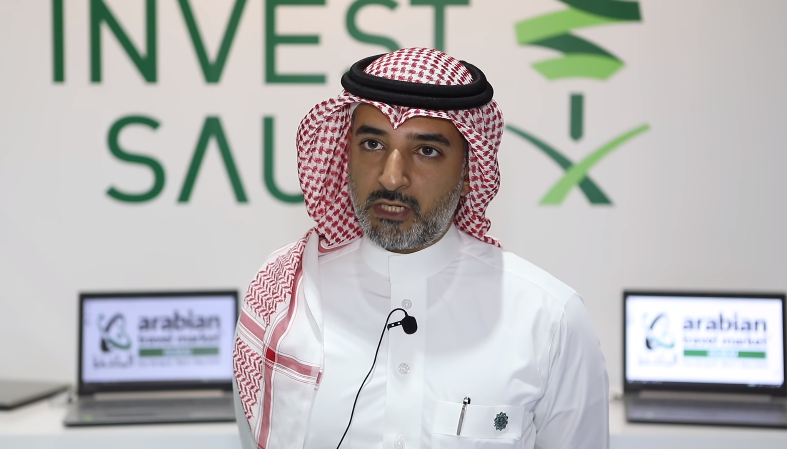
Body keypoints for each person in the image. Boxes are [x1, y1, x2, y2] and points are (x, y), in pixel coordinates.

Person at [232, 48, 608, 449]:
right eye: (372, 144)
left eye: (426, 151)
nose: (392, 177)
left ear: (469, 171)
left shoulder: (548, 318)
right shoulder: (285, 298)